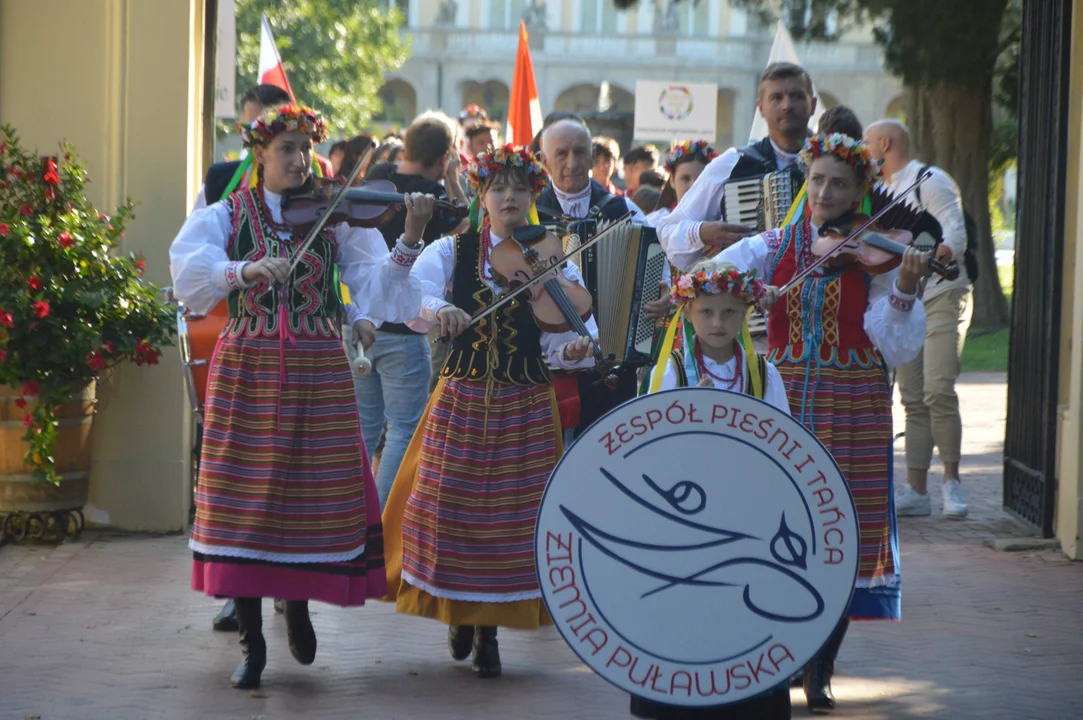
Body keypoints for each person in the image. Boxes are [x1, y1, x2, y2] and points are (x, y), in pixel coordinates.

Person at [170, 104, 434, 689]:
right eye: (285, 147)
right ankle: (252, 642)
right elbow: (188, 270)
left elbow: (384, 291)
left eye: (304, 147)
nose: (297, 158)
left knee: (309, 496)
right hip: (249, 370)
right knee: (246, 504)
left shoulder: (335, 218)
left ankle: (298, 604)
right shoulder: (228, 213)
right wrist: (243, 271)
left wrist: (407, 242)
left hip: (319, 370)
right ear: (260, 155)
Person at [720, 133, 931, 712]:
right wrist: (740, 292)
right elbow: (719, 270)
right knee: (781, 528)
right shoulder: (777, 241)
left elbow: (897, 345)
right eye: (816, 179)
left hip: (853, 405)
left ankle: (822, 665)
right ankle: (784, 652)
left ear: (861, 189)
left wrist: (907, 287)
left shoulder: (880, 254)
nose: (824, 192)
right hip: (786, 405)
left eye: (839, 183)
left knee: (843, 532)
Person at [380, 145, 598, 678]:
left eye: (519, 189)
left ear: (533, 196)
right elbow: (409, 297)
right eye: (498, 188)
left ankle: (488, 633)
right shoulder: (452, 252)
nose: (509, 197)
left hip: (525, 402)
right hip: (463, 397)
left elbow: (578, 323)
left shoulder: (552, 256)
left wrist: (576, 347)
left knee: (512, 520)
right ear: (481, 196)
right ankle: (460, 613)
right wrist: (441, 309)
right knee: (449, 511)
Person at [632, 259, 791, 719]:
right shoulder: (671, 372)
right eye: (706, 313)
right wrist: (691, 415)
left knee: (743, 605)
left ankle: (747, 694)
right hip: (686, 521)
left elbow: (784, 443)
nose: (718, 323)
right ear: (686, 314)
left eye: (729, 312)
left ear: (745, 315)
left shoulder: (764, 373)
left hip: (747, 516)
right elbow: (651, 450)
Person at [351, 111, 470, 507]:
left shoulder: (378, 179)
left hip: (361, 325)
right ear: (443, 156)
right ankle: (381, 519)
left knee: (363, 429)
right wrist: (452, 178)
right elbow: (467, 227)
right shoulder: (428, 196)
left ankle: (351, 515)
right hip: (403, 334)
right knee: (403, 429)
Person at [865, 119, 973, 519]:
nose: (864, 151)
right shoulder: (881, 192)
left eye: (867, 144)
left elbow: (954, 238)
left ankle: (952, 484)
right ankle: (917, 489)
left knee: (938, 389)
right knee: (911, 396)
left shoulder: (931, 180)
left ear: (885, 143)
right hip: (908, 300)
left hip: (943, 293)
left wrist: (920, 257)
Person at [535, 117, 647, 436]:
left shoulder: (622, 209)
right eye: (561, 154)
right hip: (548, 370)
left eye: (580, 153)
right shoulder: (529, 215)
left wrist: (657, 293)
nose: (572, 163)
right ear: (544, 161)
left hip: (612, 365)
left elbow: (655, 269)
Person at [657, 62, 817, 272]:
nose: (787, 105)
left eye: (797, 96)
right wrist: (702, 232)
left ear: (813, 105)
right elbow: (668, 230)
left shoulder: (835, 161)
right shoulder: (731, 163)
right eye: (776, 97)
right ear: (760, 108)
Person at [646, 140, 719, 226]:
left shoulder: (722, 221)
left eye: (700, 179)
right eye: (685, 179)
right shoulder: (654, 223)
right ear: (672, 180)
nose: (693, 185)